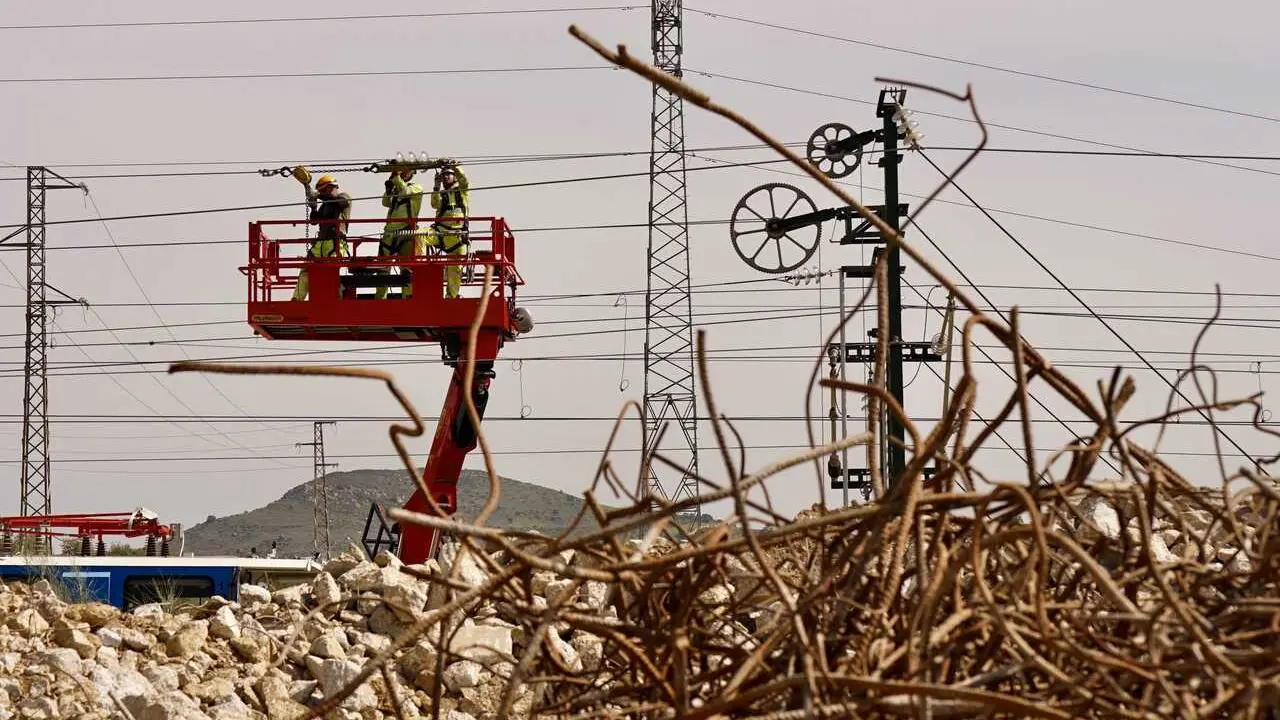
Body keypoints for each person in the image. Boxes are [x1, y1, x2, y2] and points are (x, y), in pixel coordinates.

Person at [292, 174, 352, 301]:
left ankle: (334, 298)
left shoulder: (344, 197)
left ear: (332, 187)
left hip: (335, 244)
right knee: (306, 269)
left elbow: (341, 202)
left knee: (329, 272)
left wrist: (317, 195)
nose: (322, 194)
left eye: (324, 190)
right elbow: (314, 221)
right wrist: (314, 207)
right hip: (320, 244)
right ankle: (297, 299)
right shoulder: (325, 205)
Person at [376, 168, 425, 299]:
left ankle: (408, 298)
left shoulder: (416, 188)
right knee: (382, 270)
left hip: (406, 232)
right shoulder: (396, 189)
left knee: (407, 269)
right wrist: (388, 190)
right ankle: (380, 299)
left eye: (406, 171)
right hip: (390, 232)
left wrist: (395, 174)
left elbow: (404, 192)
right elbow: (385, 203)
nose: (403, 173)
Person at [426, 162, 469, 299]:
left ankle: (451, 296)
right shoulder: (441, 194)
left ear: (455, 176)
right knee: (420, 235)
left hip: (458, 238)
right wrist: (436, 186)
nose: (445, 178)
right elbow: (434, 204)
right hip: (441, 234)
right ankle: (418, 268)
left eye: (448, 175)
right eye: (443, 175)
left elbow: (465, 181)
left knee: (455, 269)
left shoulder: (462, 191)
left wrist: (455, 167)